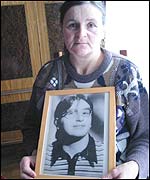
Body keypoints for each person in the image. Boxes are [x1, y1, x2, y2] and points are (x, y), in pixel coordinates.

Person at [20, 1, 149, 179]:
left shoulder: (126, 74)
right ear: (62, 29)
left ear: (103, 29)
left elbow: (145, 135)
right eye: (72, 25)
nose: (81, 34)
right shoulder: (47, 75)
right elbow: (31, 127)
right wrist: (35, 154)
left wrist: (134, 167)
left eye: (91, 25)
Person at [42, 94, 104, 178]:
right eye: (70, 113)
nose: (80, 118)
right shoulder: (43, 156)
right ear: (57, 122)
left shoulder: (105, 155)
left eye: (85, 113)